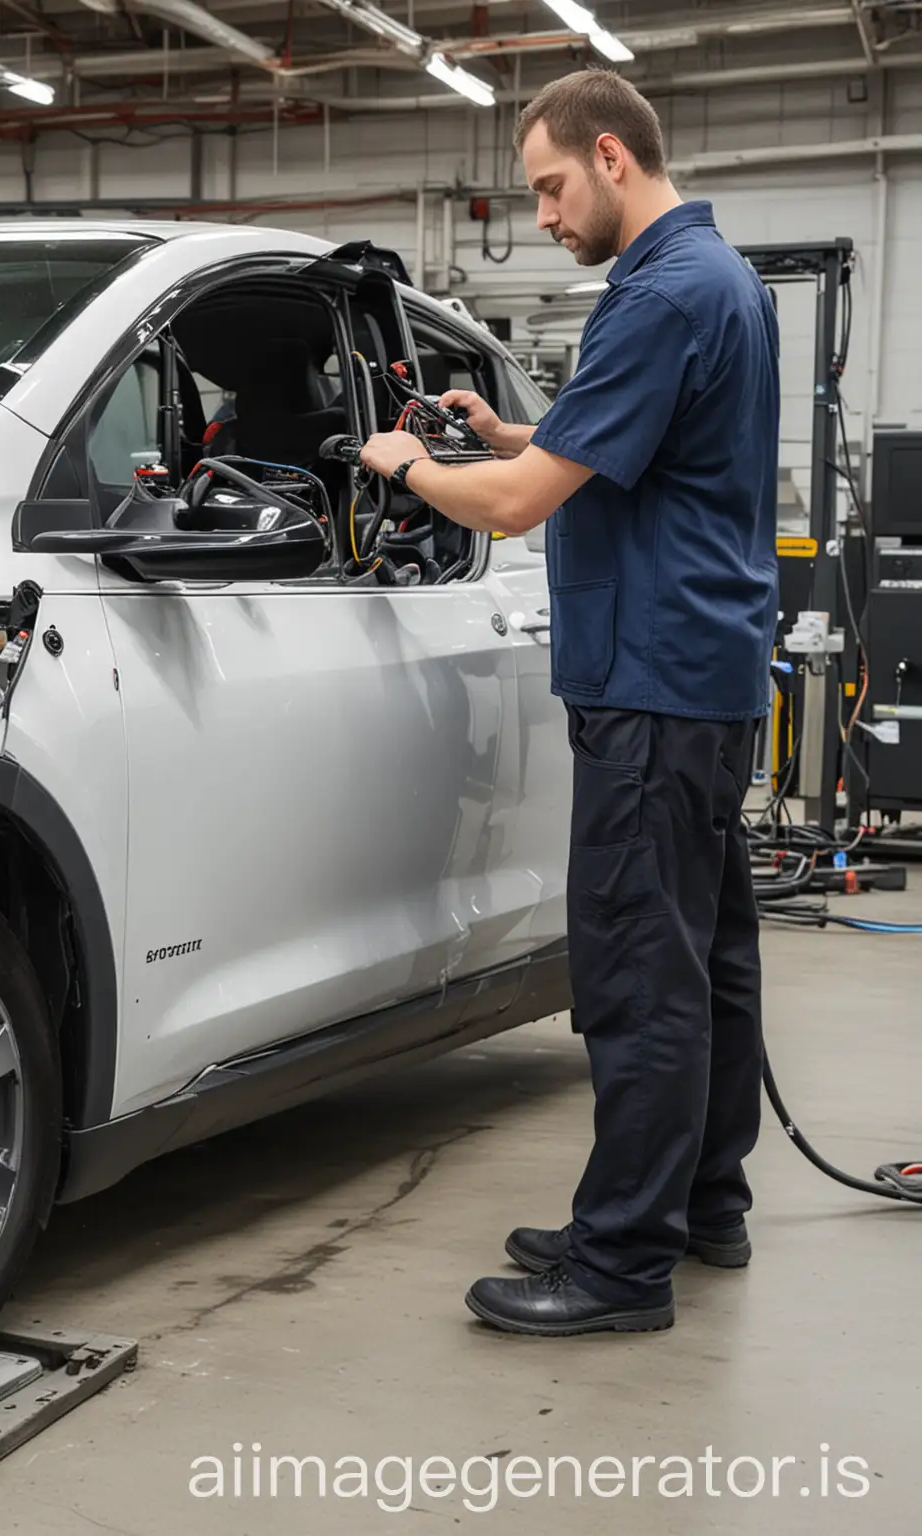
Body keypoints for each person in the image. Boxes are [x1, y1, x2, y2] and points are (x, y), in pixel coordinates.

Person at [359, 69, 780, 1337]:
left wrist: (413, 463)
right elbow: (604, 464)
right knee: (706, 962)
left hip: (650, 683)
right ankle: (704, 1202)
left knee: (638, 976)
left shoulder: (658, 299)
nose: (541, 214)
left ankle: (619, 1266)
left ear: (611, 155)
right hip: (701, 674)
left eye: (548, 186)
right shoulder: (723, 283)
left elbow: (520, 508)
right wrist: (502, 432)